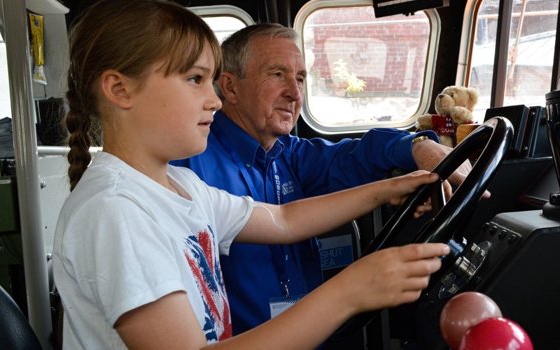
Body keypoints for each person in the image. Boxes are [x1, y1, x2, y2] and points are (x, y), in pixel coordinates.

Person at [52, 1, 450, 349]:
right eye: (195, 79)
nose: (213, 98)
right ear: (120, 90)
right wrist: (348, 292)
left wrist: (390, 189)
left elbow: (283, 219)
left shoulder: (182, 187)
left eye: (211, 81)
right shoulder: (115, 213)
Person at [171, 23, 482, 336]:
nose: (294, 93)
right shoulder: (187, 166)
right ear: (231, 87)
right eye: (277, 74)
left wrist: (418, 145)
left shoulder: (289, 153)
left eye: (301, 78)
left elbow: (358, 154)